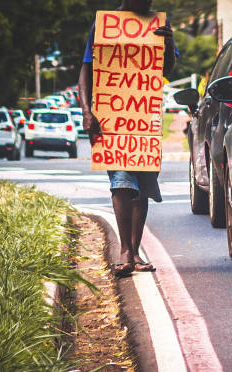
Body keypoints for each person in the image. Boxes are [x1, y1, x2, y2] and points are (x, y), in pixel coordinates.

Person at [78, 0, 177, 275]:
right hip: (112, 116)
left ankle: (134, 251)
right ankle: (123, 250)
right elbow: (87, 69)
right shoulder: (103, 24)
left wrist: (168, 45)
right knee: (122, 182)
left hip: (143, 116)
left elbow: (165, 71)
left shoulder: (159, 24)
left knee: (142, 187)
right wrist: (87, 111)